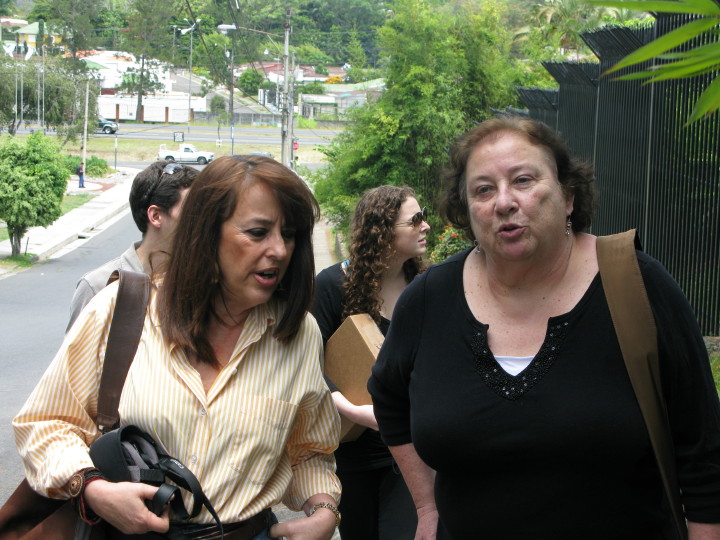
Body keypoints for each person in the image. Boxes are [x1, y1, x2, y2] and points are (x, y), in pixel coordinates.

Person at [367, 115, 720, 539]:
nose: (504, 202)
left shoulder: (637, 285)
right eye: (483, 189)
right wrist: (426, 506)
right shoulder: (430, 298)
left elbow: (704, 449)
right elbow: (388, 396)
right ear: (467, 211)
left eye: (523, 180)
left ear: (568, 195)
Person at [14, 155, 342, 540]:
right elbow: (47, 422)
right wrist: (93, 489)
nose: (280, 250)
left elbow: (309, 451)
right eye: (258, 232)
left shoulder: (298, 334)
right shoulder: (122, 310)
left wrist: (324, 509)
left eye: (288, 234)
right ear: (206, 233)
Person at [312, 185, 429, 540]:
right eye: (415, 220)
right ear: (383, 230)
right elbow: (306, 365)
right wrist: (354, 410)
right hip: (352, 450)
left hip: (410, 449)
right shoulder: (332, 285)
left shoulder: (426, 286)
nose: (426, 226)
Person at [66, 161, 197, 331]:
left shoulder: (201, 282)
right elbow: (78, 347)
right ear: (156, 216)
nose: (202, 219)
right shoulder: (99, 286)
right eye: (192, 210)